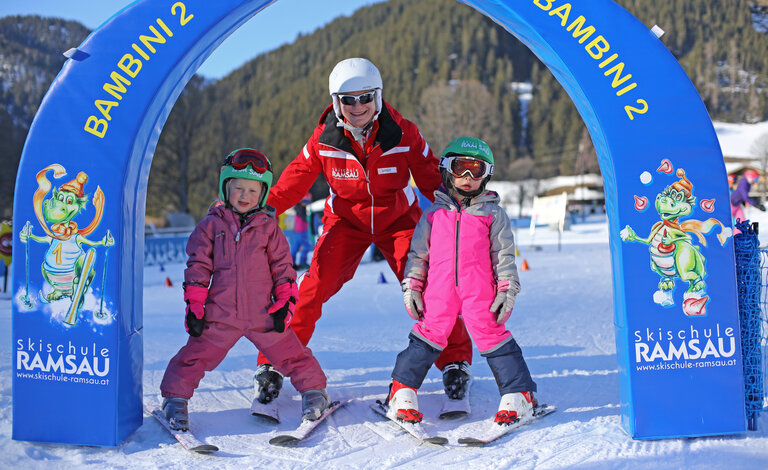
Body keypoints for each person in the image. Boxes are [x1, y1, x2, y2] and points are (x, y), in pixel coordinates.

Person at [252, 57, 474, 407]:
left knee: (429, 286)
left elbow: (433, 179)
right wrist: (259, 210)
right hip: (346, 222)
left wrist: (465, 205)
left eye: (365, 97)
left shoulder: (403, 133)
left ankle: (455, 359)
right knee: (312, 286)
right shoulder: (324, 139)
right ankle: (274, 361)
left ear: (379, 97)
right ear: (336, 102)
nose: (358, 107)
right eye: (348, 99)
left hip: (398, 221)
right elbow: (294, 181)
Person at [159, 148, 331, 431]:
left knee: (292, 353)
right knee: (194, 357)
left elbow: (283, 269)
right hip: (220, 314)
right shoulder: (210, 226)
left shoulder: (268, 228)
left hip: (262, 313)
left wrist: (285, 303)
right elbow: (198, 268)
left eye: (253, 190)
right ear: (225, 187)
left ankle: (315, 392)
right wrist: (195, 305)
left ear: (263, 194)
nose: (244, 195)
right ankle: (175, 398)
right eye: (238, 188)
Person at [385, 137, 538, 424]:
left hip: (479, 293)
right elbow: (418, 255)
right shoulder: (433, 214)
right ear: (446, 169)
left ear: (486, 175)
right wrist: (412, 285)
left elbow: (504, 255)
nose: (467, 178)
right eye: (460, 168)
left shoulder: (493, 214)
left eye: (476, 171)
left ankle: (520, 394)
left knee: (492, 335)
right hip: (439, 294)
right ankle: (401, 390)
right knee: (426, 336)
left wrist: (507, 288)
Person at [291, 192, 314, 269]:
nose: (306, 204)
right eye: (305, 202)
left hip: (300, 231)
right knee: (306, 247)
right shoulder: (299, 209)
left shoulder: (301, 208)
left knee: (296, 248)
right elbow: (305, 218)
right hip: (301, 231)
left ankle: (292, 263)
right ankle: (302, 262)